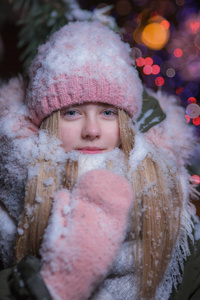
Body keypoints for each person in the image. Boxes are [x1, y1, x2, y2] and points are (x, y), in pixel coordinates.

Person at [0, 21, 199, 300]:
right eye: (71, 112)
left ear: (128, 121)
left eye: (107, 113)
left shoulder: (168, 197)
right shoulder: (9, 192)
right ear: (46, 120)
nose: (92, 131)